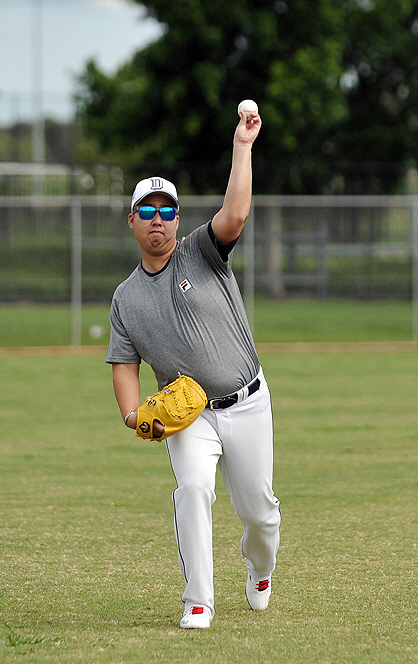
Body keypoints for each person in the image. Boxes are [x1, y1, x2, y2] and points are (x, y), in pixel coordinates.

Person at [106, 109, 281, 629]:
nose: (157, 218)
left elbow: (236, 215)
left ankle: (260, 567)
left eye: (167, 209)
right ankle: (198, 601)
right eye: (147, 209)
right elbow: (123, 363)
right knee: (193, 489)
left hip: (247, 400)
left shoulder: (202, 252)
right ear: (131, 220)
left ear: (178, 219)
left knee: (260, 513)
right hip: (189, 416)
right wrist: (133, 414)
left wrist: (242, 146)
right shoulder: (125, 298)